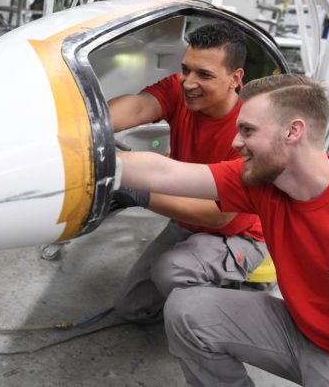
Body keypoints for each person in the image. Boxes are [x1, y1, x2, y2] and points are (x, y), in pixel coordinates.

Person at [117, 74, 329, 386]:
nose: (235, 142)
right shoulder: (264, 181)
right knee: (188, 310)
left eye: (247, 130)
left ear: (293, 131)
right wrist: (90, 156)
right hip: (299, 329)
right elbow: (165, 171)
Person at [108, 22, 268, 324]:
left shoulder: (251, 132)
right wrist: (89, 124)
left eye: (204, 75)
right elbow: (139, 107)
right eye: (186, 69)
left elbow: (217, 215)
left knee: (171, 271)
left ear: (235, 78)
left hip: (236, 236)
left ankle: (221, 317)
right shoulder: (179, 90)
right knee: (131, 308)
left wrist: (140, 194)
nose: (189, 83)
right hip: (188, 223)